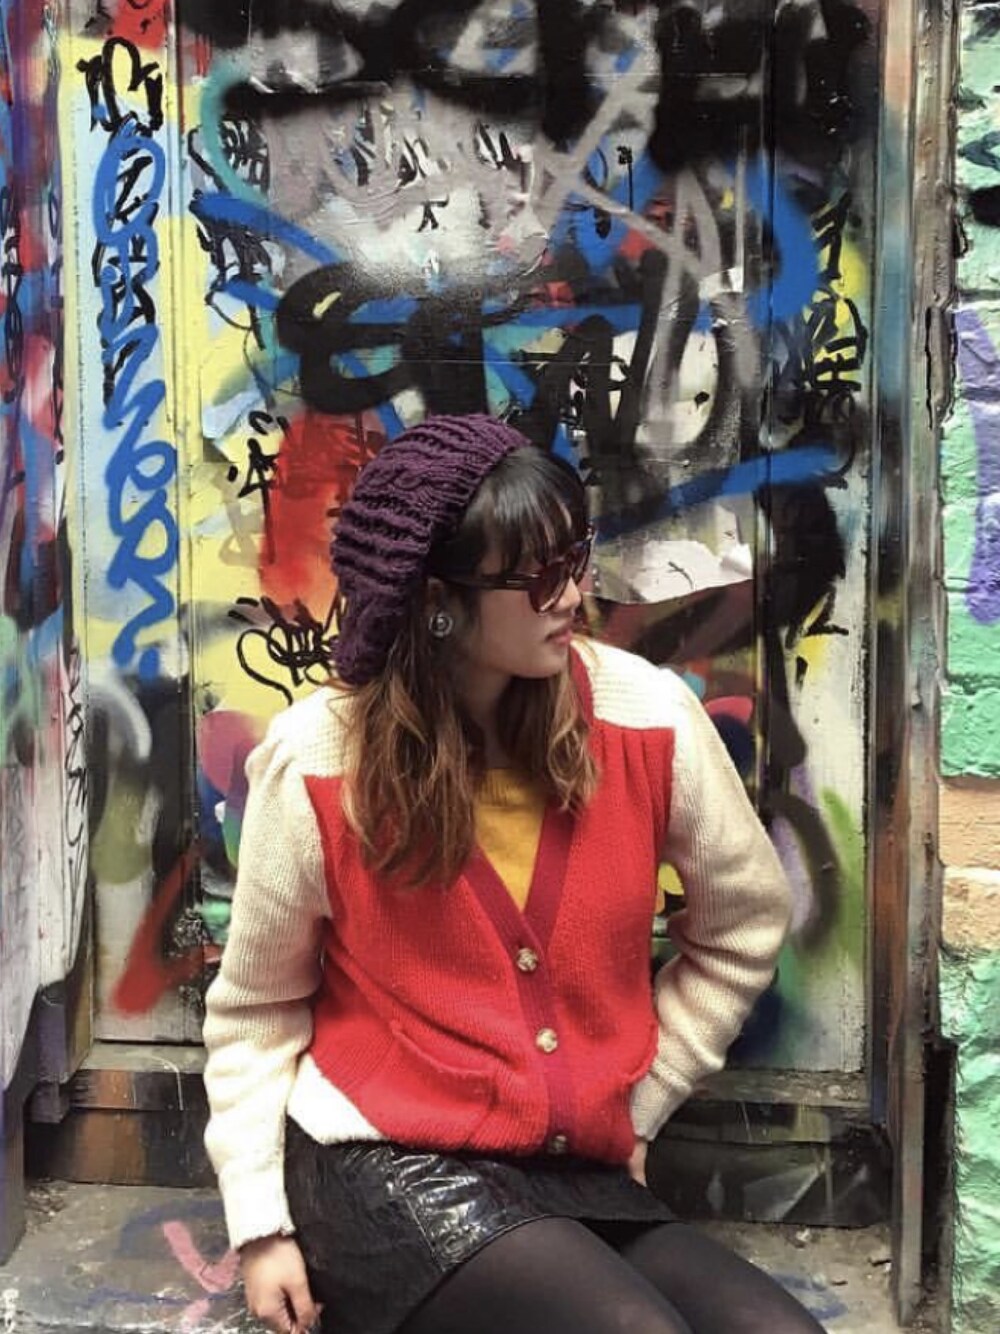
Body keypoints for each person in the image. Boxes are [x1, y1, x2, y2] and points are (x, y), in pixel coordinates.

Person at [203, 414, 824, 1334]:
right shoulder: (322, 762)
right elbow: (257, 1010)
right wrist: (261, 1228)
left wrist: (644, 1101)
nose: (573, 594)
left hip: (570, 1162)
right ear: (438, 601)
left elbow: (743, 925)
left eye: (575, 557)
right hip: (387, 1163)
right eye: (537, 577)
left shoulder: (646, 719)